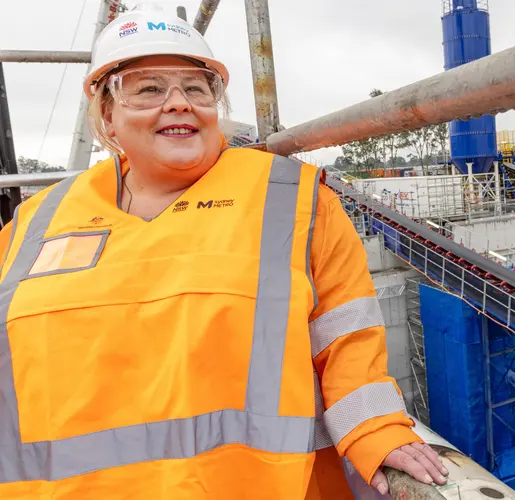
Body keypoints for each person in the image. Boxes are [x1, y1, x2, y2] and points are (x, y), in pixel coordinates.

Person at [0, 6, 447, 499]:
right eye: (148, 88)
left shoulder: (292, 200)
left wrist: (375, 429)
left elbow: (347, 339)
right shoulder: (34, 224)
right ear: (106, 111)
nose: (178, 103)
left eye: (197, 87)